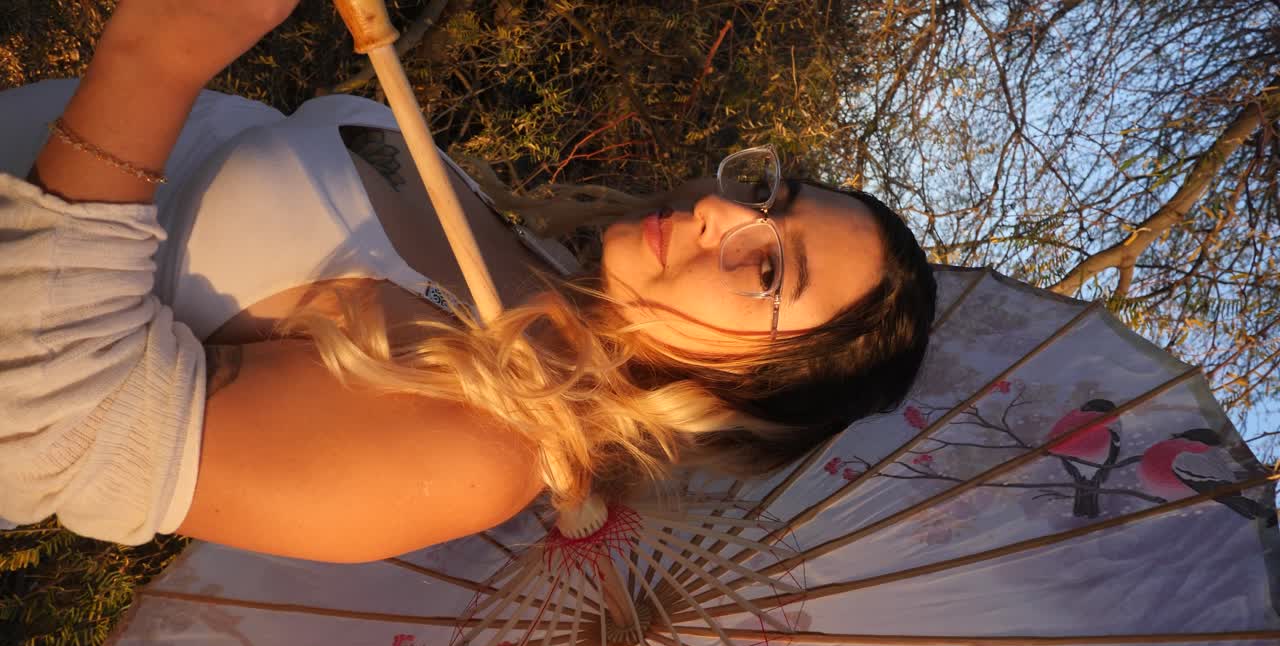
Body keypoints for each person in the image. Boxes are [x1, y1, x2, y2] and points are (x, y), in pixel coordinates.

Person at [0, 0, 936, 563]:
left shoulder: (483, 448)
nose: (724, 216)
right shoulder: (520, 253)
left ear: (737, 396)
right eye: (773, 195)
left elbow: (57, 433)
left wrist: (156, 56)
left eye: (770, 267)